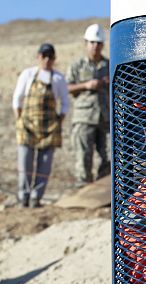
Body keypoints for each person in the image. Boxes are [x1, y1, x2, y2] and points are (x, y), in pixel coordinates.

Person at [12, 43, 70, 208]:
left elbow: (65, 103)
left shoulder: (58, 79)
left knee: (44, 166)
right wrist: (19, 120)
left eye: (50, 57)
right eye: (44, 56)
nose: (47, 60)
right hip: (27, 127)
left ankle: (36, 198)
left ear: (54, 59)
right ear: (38, 56)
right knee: (25, 164)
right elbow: (17, 98)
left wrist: (59, 122)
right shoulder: (28, 75)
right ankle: (23, 197)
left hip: (49, 129)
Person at [67, 23, 111, 185]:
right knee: (83, 156)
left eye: (98, 43)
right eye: (92, 43)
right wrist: (86, 85)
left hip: (105, 117)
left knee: (110, 155)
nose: (95, 46)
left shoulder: (109, 65)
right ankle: (84, 191)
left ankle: (102, 188)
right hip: (84, 117)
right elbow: (68, 87)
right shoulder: (77, 66)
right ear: (85, 43)